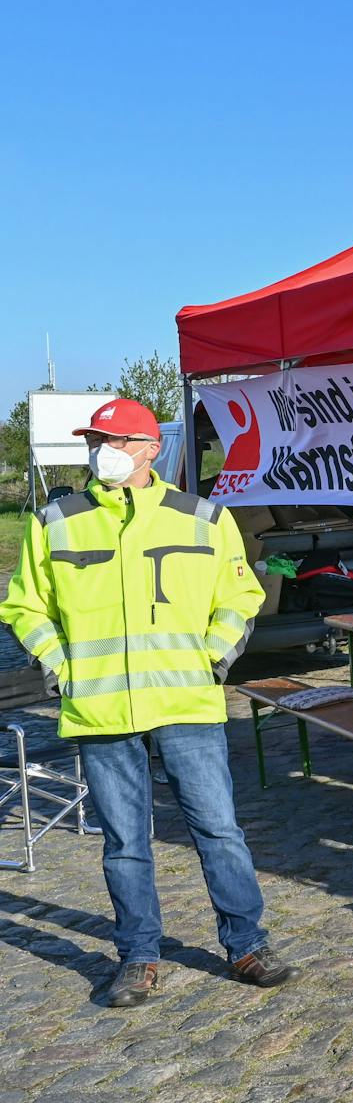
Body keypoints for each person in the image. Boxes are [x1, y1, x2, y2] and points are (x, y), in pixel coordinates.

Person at [1, 399, 293, 1006]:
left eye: (111, 438)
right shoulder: (57, 519)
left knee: (218, 829)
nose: (98, 449)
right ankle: (138, 956)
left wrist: (212, 658)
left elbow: (241, 596)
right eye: (93, 438)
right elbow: (24, 605)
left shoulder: (203, 517)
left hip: (186, 704)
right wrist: (62, 666)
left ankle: (245, 942)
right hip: (100, 710)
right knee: (124, 842)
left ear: (150, 447)